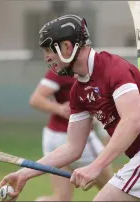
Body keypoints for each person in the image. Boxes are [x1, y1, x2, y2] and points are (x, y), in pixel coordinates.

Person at [0, 14, 140, 201]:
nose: (47, 58)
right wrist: (25, 172)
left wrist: (96, 166)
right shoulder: (78, 90)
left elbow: (132, 123)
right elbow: (72, 148)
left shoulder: (114, 69)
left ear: (67, 47)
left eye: (50, 49)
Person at [29, 68, 114, 201]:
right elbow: (36, 99)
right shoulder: (62, 71)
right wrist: (59, 109)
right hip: (76, 138)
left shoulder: (86, 70)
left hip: (52, 137)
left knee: (61, 199)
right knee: (114, 190)